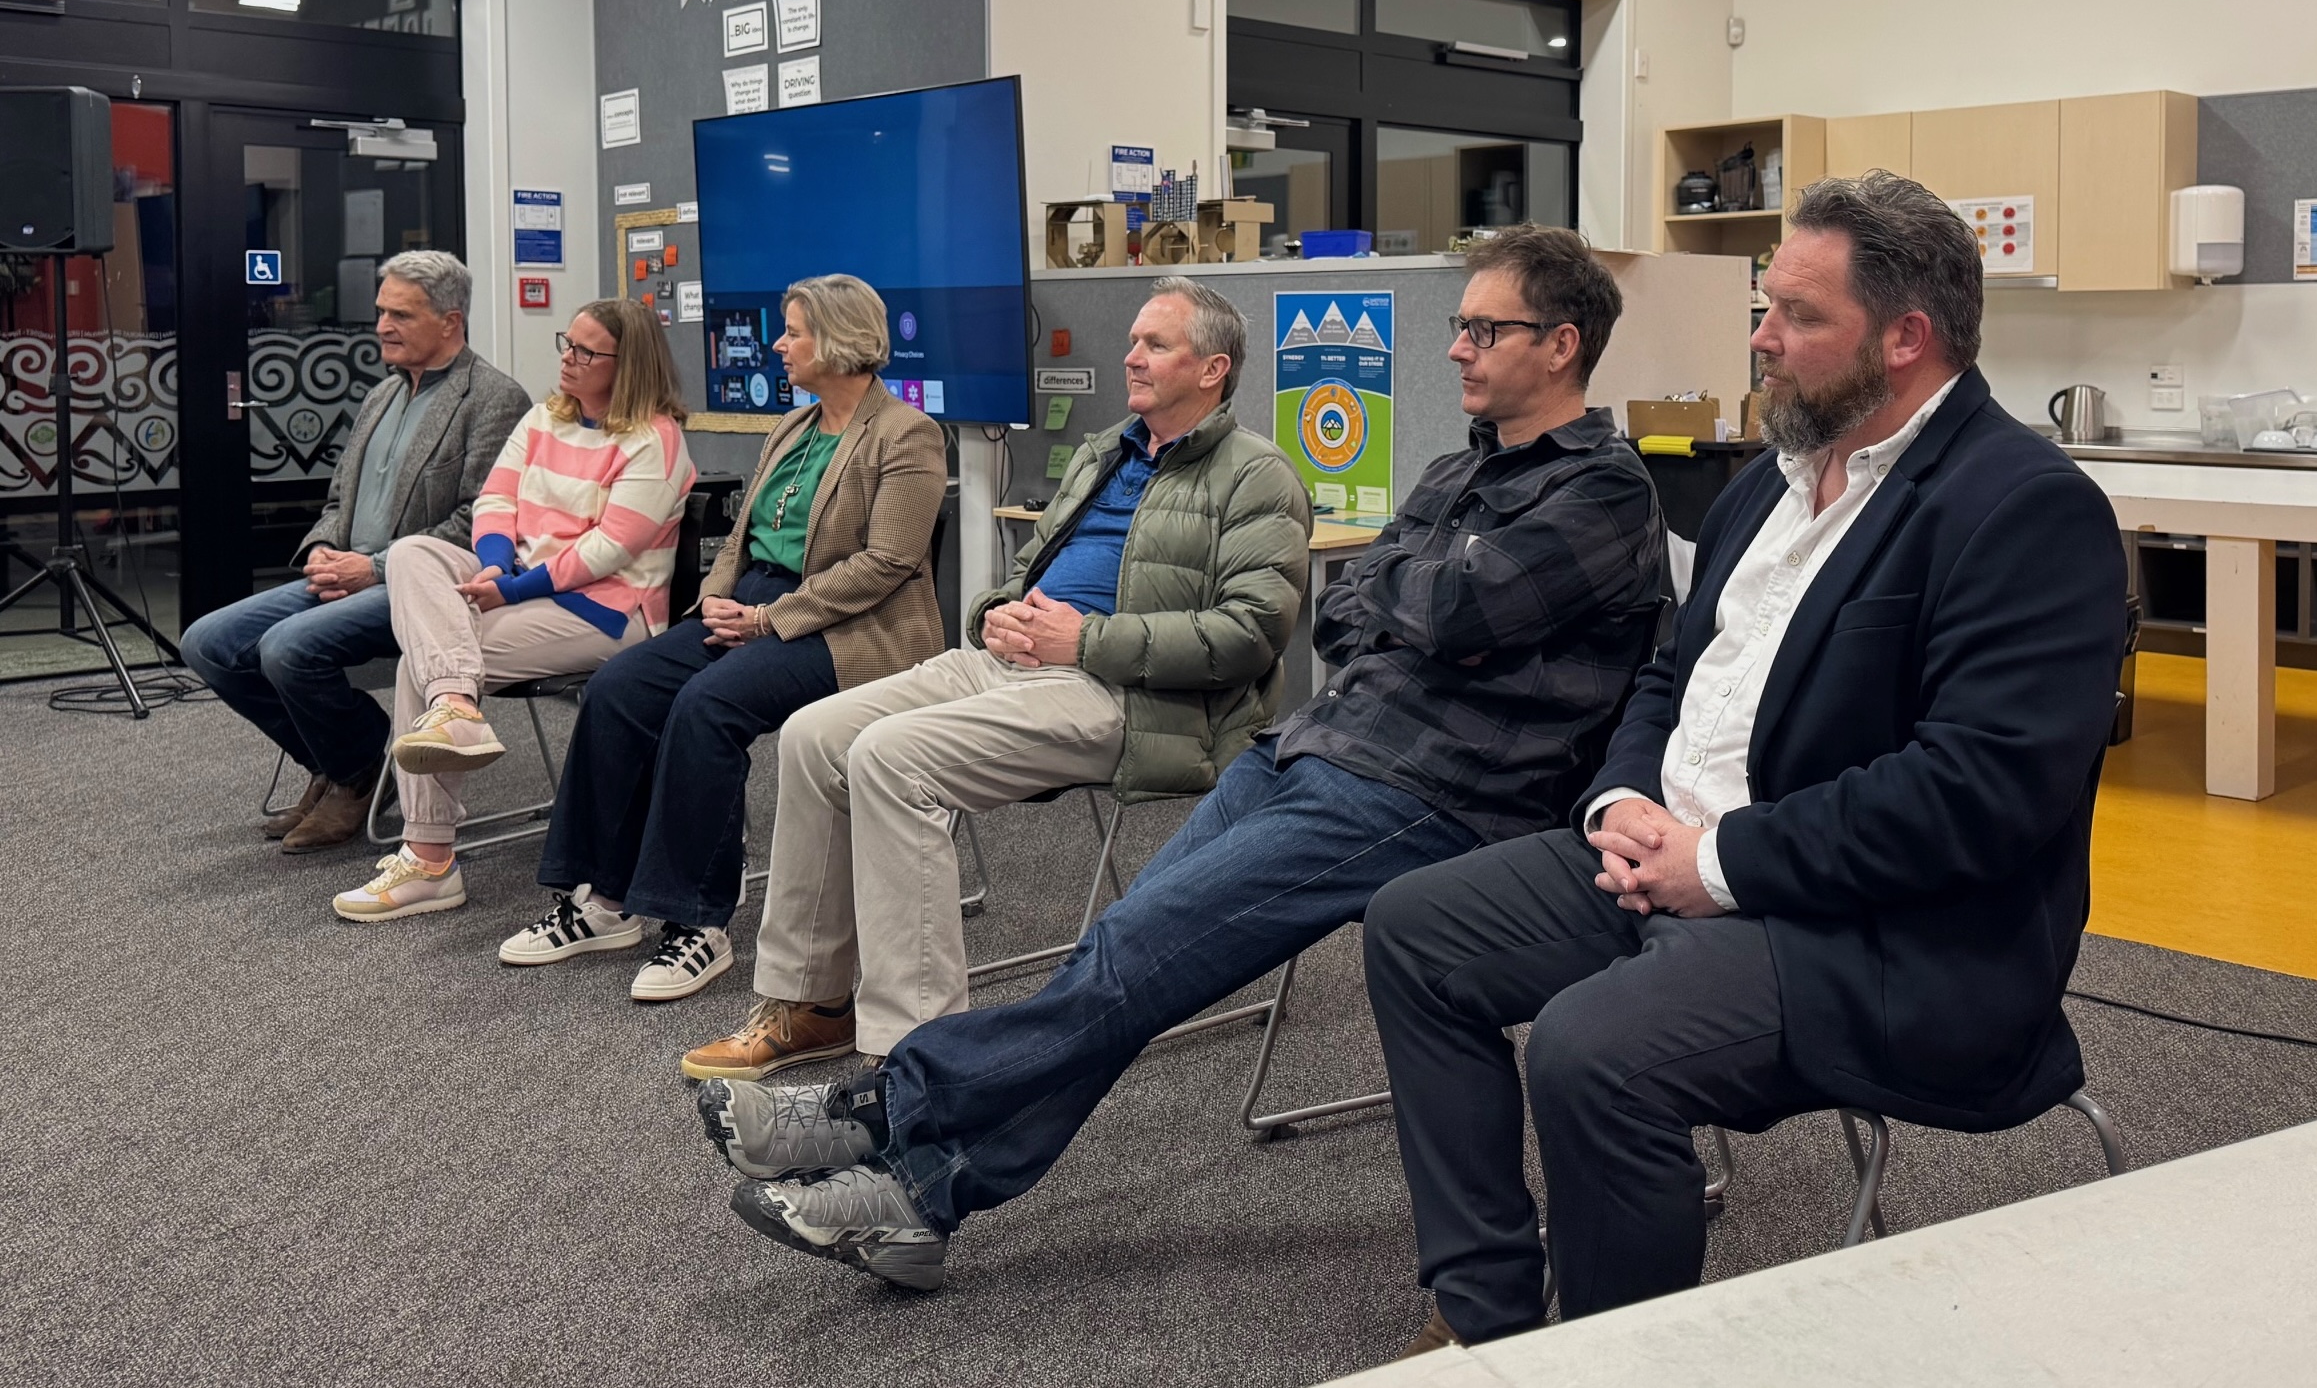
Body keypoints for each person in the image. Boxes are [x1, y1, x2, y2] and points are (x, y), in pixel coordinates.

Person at [694, 228, 1668, 1295]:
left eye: (1484, 330)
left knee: (1130, 954)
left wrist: (1411, 595)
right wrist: (1417, 597)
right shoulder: (1456, 470)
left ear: (1561, 344)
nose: (1457, 349)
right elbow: (1344, 611)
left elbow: (1442, 610)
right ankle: (920, 1197)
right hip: (1313, 747)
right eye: (1459, 325)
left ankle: (880, 1110)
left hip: (1434, 791)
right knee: (1122, 954)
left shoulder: (1602, 491)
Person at [1360, 172, 2131, 1356]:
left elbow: (1976, 795)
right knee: (1415, 931)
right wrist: (1622, 798)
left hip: (1881, 932)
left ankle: (1610, 1365)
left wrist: (1713, 864)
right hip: (1677, 856)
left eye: (1797, 317)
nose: (1761, 339)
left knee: (1591, 1053)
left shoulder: (2022, 508)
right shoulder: (1761, 488)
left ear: (1905, 337)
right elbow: (1667, 675)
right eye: (1764, 309)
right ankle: (1486, 1312)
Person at [677, 277, 1310, 1083]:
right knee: (813, 735)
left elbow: (1248, 637)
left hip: (1134, 697)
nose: (1130, 355)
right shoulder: (1104, 453)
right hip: (1012, 661)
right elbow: (1020, 573)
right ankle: (810, 1004)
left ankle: (915, 1049)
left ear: (1213, 368)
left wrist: (1086, 639)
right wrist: (994, 614)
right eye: (1133, 340)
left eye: (1155, 344)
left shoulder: (1257, 475)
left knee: (890, 757)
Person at [500, 275, 946, 1001]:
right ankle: (604, 899)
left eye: (793, 332)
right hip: (750, 602)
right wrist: (714, 597)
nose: (779, 345)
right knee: (617, 688)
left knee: (705, 707)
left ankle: (697, 922)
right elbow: (740, 536)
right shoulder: (793, 427)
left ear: (837, 341)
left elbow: (888, 563)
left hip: (850, 626)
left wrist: (769, 619)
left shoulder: (906, 434)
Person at [331, 297, 696, 923]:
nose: (568, 358)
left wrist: (511, 590)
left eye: (586, 351)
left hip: (606, 610)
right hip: (518, 582)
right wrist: (496, 566)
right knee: (415, 553)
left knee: (422, 663)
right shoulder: (545, 417)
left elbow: (608, 551)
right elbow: (495, 500)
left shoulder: (655, 440)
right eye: (567, 343)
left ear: (628, 364)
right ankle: (455, 708)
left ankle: (430, 858)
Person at [179, 252, 530, 853]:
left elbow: (481, 518)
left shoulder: (495, 399)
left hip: (419, 588)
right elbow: (340, 497)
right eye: (381, 312)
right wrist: (321, 546)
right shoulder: (383, 394)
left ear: (451, 321)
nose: (382, 327)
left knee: (287, 648)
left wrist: (374, 567)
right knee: (206, 643)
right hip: (347, 573)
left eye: (401, 315)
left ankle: (355, 773)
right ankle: (348, 759)